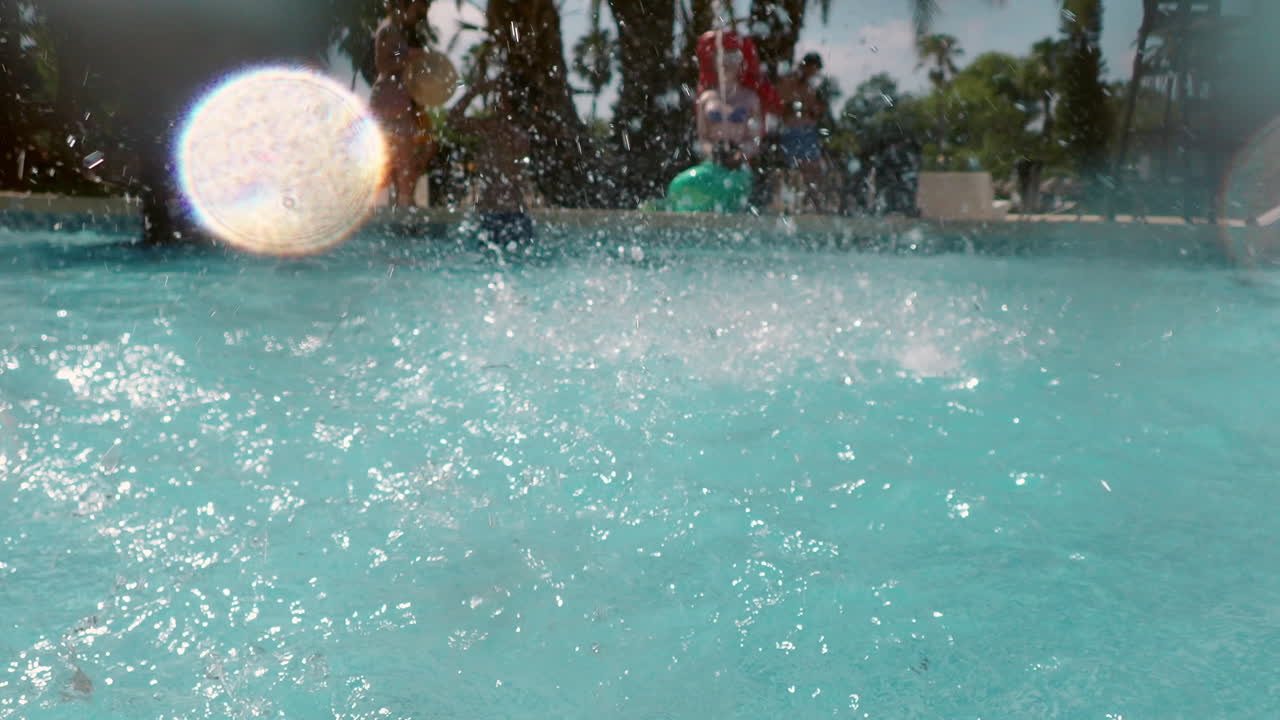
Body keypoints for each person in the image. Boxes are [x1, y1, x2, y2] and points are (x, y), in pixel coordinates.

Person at [447, 74, 534, 248]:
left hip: (499, 212)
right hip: (508, 212)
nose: (495, 101)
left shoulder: (493, 129)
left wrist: (474, 92)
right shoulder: (517, 132)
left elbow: (453, 120)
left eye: (500, 96)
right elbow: (452, 121)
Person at [370, 0, 437, 208]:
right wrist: (410, 58)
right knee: (400, 157)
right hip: (390, 98)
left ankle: (403, 204)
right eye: (419, 9)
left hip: (400, 98)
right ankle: (404, 205)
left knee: (406, 156)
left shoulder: (398, 31)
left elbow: (397, 58)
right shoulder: (388, 30)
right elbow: (382, 64)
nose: (421, 14)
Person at [775, 52, 829, 211]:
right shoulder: (789, 81)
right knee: (799, 167)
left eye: (817, 70)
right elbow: (783, 106)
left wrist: (811, 109)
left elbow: (819, 110)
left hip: (809, 131)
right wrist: (805, 108)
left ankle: (811, 201)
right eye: (813, 69)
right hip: (791, 131)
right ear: (805, 66)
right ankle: (794, 203)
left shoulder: (815, 87)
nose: (815, 73)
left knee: (814, 167)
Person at [696, 46, 765, 170]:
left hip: (741, 165)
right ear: (715, 64)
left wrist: (740, 153)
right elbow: (701, 137)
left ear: (739, 65)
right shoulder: (705, 99)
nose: (726, 65)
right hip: (712, 163)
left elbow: (756, 138)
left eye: (731, 60)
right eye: (722, 60)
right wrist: (714, 151)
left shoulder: (750, 98)